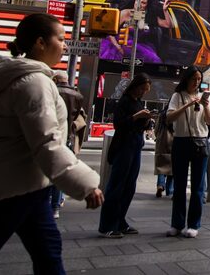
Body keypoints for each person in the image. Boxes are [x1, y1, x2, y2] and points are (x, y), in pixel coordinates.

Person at [0, 13, 103, 274]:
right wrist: (86, 184)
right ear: (40, 42)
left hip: (25, 182)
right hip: (12, 183)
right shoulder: (33, 83)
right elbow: (47, 142)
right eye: (60, 39)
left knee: (47, 252)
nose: (64, 45)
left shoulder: (28, 78)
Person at [98, 73, 152, 238]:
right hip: (124, 146)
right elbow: (119, 124)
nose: (143, 92)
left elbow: (139, 125)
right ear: (136, 86)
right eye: (142, 89)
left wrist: (147, 120)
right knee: (117, 185)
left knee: (129, 186)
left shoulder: (137, 102)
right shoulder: (125, 101)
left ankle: (120, 221)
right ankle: (107, 225)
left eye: (146, 90)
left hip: (135, 145)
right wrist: (137, 116)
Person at [165, 67, 210, 238]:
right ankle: (177, 224)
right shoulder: (177, 96)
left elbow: (209, 121)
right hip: (181, 141)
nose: (197, 82)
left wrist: (205, 106)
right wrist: (187, 104)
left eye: (199, 79)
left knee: (197, 187)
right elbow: (169, 117)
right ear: (186, 79)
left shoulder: (204, 98)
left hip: (200, 142)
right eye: (194, 78)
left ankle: (193, 224)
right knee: (179, 186)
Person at [49, 71, 88, 219]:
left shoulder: (52, 91)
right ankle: (56, 205)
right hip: (68, 136)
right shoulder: (77, 95)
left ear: (55, 79)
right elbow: (80, 115)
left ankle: (49, 203)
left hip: (52, 133)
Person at [154, 108, 175, 198]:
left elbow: (156, 129)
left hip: (162, 140)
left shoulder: (162, 114)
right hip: (173, 141)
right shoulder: (176, 113)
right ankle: (170, 190)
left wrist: (158, 136)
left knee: (161, 165)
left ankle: (160, 185)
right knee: (172, 166)